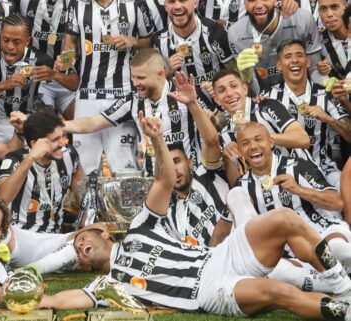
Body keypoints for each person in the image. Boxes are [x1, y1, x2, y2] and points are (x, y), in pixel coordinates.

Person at [39, 115, 351, 321]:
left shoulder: (139, 229)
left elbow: (162, 182)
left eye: (82, 238)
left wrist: (157, 139)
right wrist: (38, 301)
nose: (80, 245)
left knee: (283, 217)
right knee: (280, 293)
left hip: (218, 256)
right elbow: (65, 299)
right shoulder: (108, 285)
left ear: (103, 233)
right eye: (78, 248)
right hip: (206, 291)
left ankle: (342, 287)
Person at [43, 49, 204, 176]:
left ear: (160, 74)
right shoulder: (132, 101)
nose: (135, 83)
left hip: (187, 178)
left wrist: (206, 114)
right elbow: (93, 123)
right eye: (133, 77)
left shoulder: (186, 95)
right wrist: (57, 125)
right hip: (154, 182)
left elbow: (213, 122)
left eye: (140, 78)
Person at [234, 122, 351, 271]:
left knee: (338, 249)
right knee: (275, 272)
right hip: (291, 253)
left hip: (324, 232)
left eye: (258, 139)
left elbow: (337, 203)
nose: (253, 146)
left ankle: (330, 275)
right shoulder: (240, 187)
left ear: (270, 142)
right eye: (245, 143)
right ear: (239, 151)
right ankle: (331, 277)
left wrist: (299, 189)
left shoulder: (297, 166)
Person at [62, 0, 153, 174]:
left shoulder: (136, 4)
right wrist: (66, 60)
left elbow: (150, 40)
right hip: (88, 93)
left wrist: (133, 41)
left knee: (124, 164)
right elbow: (70, 42)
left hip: (124, 93)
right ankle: (86, 202)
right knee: (83, 165)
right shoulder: (77, 4)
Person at [0, 14, 75, 142]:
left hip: (26, 124)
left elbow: (75, 84)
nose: (10, 46)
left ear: (28, 41)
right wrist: (5, 85)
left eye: (17, 42)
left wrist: (55, 75)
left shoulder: (39, 59)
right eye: (5, 40)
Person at [154, 72, 231, 247]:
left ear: (189, 162)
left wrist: (192, 104)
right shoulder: (169, 215)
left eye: (177, 162)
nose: (173, 170)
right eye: (167, 167)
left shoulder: (207, 175)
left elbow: (211, 141)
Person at [266, 40, 351, 190]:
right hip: (285, 172)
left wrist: (328, 119)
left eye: (299, 55)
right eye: (288, 56)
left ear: (308, 62)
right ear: (279, 65)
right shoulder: (268, 97)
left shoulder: (325, 94)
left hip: (324, 168)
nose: (294, 60)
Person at [211, 70, 310, 184]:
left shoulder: (267, 106)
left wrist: (260, 135)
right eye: (222, 90)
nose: (229, 93)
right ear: (216, 100)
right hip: (270, 195)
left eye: (233, 86)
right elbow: (238, 186)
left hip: (303, 178)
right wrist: (227, 158)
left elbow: (303, 139)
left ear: (244, 89)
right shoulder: (224, 136)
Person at [0, 111, 83, 233]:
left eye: (62, 136)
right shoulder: (15, 159)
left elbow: (79, 179)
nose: (62, 143)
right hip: (19, 235)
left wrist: (86, 217)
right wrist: (30, 158)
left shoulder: (69, 154)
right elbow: (1, 200)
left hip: (55, 236)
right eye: (55, 139)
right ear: (34, 144)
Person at [228, 0, 323, 94]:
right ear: (245, 4)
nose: (259, 5)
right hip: (264, 95)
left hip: (303, 90)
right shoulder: (236, 34)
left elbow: (315, 70)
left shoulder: (302, 19)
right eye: (252, 0)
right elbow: (251, 89)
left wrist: (326, 84)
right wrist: (247, 76)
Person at [151, 0, 235, 102]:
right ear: (165, 6)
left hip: (218, 104)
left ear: (195, 3)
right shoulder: (158, 41)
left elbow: (234, 70)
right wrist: (167, 70)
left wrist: (220, 84)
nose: (177, 6)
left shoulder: (214, 32)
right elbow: (153, 85)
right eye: (172, 1)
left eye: (183, 1)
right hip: (183, 107)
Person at [19, 0, 78, 117]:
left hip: (66, 78)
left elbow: (76, 39)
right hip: (37, 80)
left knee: (82, 126)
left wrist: (64, 64)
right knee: (45, 126)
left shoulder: (78, 3)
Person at [318, 0, 349, 79]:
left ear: (347, 7)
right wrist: (323, 72)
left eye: (334, 7)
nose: (329, 14)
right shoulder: (318, 45)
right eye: (323, 9)